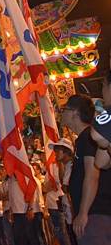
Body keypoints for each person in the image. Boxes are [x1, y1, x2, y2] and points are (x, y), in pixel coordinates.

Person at [61, 94, 111, 244]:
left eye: (64, 109)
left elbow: (92, 174)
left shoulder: (87, 138)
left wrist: (83, 213)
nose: (61, 113)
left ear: (75, 112)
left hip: (95, 215)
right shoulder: (83, 138)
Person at [49, 137, 76, 244]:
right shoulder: (66, 166)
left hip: (73, 213)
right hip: (68, 213)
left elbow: (66, 188)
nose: (55, 154)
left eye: (57, 151)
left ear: (65, 151)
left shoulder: (72, 166)